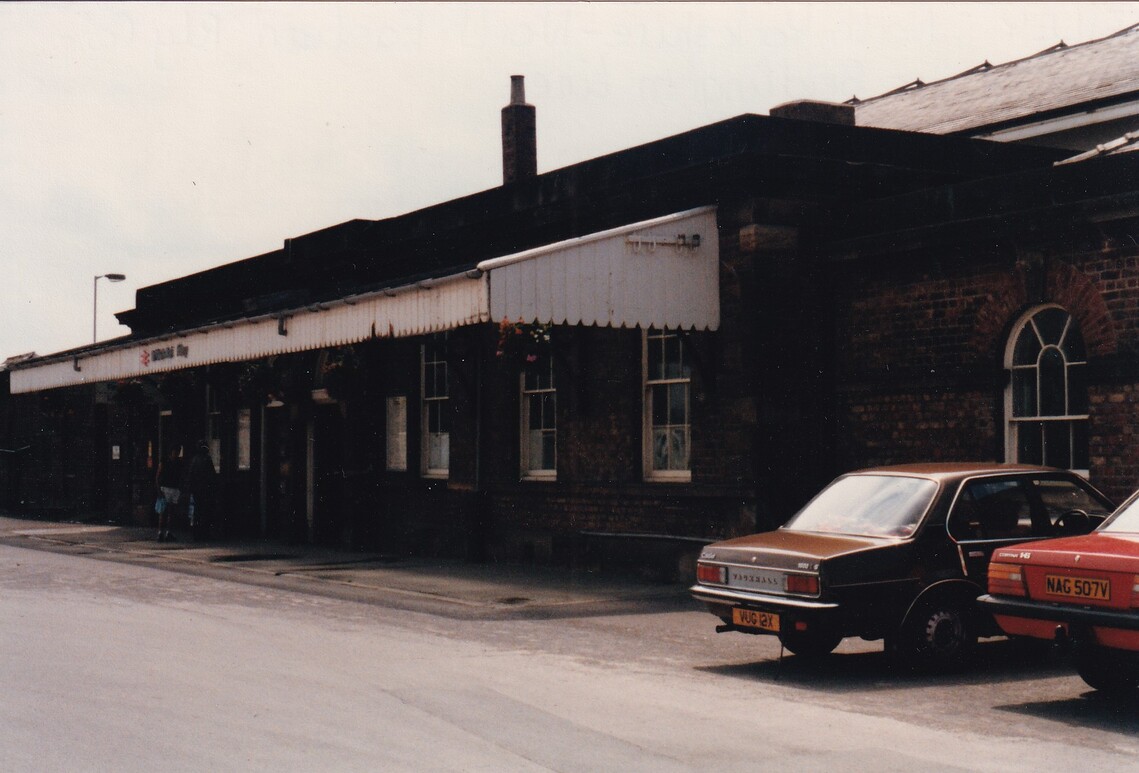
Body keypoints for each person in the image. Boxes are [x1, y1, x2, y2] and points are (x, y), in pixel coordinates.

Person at [183, 441, 217, 541]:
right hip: (205, 490)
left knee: (196, 512)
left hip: (196, 490)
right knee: (205, 512)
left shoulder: (194, 460)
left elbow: (190, 475)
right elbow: (212, 475)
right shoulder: (207, 459)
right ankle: (204, 533)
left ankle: (196, 533)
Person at [155, 446, 184, 542]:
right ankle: (160, 532)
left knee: (171, 512)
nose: (176, 454)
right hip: (166, 488)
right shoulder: (164, 461)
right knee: (163, 512)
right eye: (175, 452)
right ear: (171, 452)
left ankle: (168, 532)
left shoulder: (178, 463)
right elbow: (158, 475)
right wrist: (159, 489)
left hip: (174, 488)